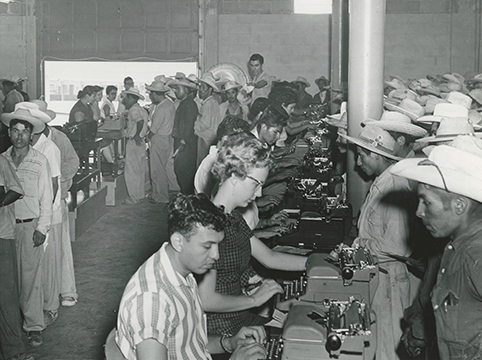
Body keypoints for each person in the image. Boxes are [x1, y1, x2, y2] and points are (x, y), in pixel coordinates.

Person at [105, 193, 267, 360]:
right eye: (207, 246)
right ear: (178, 241)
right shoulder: (152, 301)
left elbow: (188, 346)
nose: (216, 255)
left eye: (218, 245)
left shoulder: (181, 271)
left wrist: (228, 343)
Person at [198, 132, 308, 336]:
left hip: (241, 318)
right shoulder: (209, 226)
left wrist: (314, 263)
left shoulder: (233, 217)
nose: (258, 194)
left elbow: (269, 257)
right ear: (233, 176)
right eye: (256, 184)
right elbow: (206, 300)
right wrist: (255, 299)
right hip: (223, 330)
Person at [391, 135, 482, 360]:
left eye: (427, 202)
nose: (419, 212)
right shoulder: (454, 247)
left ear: (459, 205)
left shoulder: (475, 255)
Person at [341, 125, 421, 360]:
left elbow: (397, 247)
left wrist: (357, 245)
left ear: (376, 155)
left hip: (389, 282)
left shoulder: (393, 187)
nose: (358, 162)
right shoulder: (381, 183)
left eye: (362, 155)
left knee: (388, 350)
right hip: (378, 277)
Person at [1, 104, 53, 348]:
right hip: (5, 230)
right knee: (9, 282)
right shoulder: (1, 161)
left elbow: (47, 198)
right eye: (15, 130)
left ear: (31, 135)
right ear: (8, 133)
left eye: (24, 131)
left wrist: (42, 228)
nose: (19, 135)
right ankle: (10, 330)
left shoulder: (39, 161)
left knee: (30, 279)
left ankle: (33, 326)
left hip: (29, 227)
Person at [32, 100, 80, 308]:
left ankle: (67, 291)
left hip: (56, 199)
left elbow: (73, 162)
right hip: (35, 203)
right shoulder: (25, 140)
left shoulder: (59, 139)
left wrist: (58, 181)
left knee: (61, 247)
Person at [0, 156, 34, 360]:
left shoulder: (2, 162)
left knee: (6, 296)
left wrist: (1, 202)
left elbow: (17, 190)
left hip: (2, 235)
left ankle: (13, 351)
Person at [145, 80, 180, 204]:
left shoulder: (161, 108)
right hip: (168, 139)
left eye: (151, 94)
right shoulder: (169, 104)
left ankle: (161, 197)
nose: (150, 96)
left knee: (157, 169)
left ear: (155, 94)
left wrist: (146, 137)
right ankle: (158, 194)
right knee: (163, 168)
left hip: (159, 140)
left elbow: (154, 129)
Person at [169, 74, 199, 195]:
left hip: (185, 144)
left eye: (178, 89)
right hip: (181, 142)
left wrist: (182, 143)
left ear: (186, 90)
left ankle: (188, 198)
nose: (175, 91)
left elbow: (189, 126)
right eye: (175, 89)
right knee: (180, 170)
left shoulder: (189, 104)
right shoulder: (184, 103)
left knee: (183, 171)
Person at [122, 88, 148, 205]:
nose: (124, 100)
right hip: (141, 142)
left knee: (132, 170)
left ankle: (134, 197)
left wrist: (136, 135)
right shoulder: (141, 109)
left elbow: (140, 122)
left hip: (134, 142)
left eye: (126, 98)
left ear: (132, 98)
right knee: (140, 169)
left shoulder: (134, 110)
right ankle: (140, 194)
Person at [195, 72, 222, 166]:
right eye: (200, 87)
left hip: (204, 139)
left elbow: (204, 124)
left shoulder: (208, 104)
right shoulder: (213, 102)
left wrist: (193, 125)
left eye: (203, 87)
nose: (200, 90)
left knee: (202, 165)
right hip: (211, 139)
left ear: (210, 89)